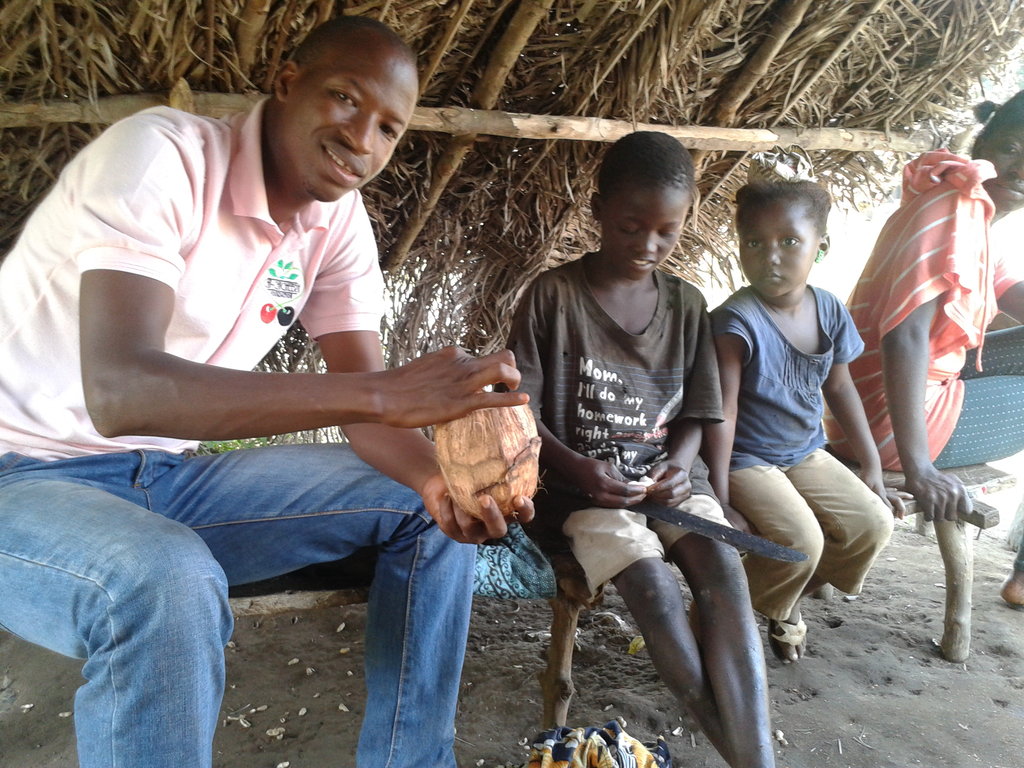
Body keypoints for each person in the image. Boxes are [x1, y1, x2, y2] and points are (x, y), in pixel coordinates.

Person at [0, 16, 534, 768]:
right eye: (345, 98)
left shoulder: (335, 224)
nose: (362, 139)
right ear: (287, 83)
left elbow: (369, 416)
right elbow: (122, 392)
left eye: (389, 127)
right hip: (22, 479)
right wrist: (381, 393)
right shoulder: (163, 158)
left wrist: (436, 483)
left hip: (168, 478)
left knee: (428, 507)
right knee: (164, 580)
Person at [506, 131, 776, 768]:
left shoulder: (686, 306)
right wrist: (578, 467)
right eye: (630, 227)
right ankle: (751, 760)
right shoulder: (553, 296)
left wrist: (679, 467)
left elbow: (698, 413)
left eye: (666, 232)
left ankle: (756, 758)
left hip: (668, 485)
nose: (647, 245)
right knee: (652, 588)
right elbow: (520, 412)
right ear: (598, 210)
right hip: (582, 495)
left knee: (723, 573)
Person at [823, 92, 1024, 607]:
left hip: (877, 405)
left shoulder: (971, 210)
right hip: (883, 424)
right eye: (1012, 149)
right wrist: (919, 470)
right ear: (984, 143)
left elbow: (1009, 291)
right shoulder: (955, 210)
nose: (1021, 171)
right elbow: (904, 335)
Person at [705, 162, 896, 664]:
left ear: (821, 247)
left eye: (789, 241)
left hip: (806, 452)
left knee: (873, 525)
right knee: (800, 542)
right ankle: (719, 618)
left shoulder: (829, 309)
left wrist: (872, 465)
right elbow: (722, 411)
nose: (770, 256)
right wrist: (719, 496)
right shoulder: (735, 321)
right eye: (754, 242)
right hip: (746, 460)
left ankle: (782, 600)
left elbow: (841, 387)